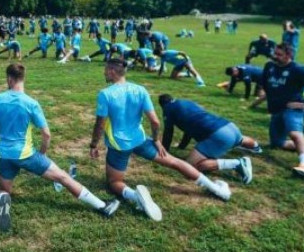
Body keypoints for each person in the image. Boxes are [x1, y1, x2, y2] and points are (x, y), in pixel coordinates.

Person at [89, 59, 232, 222]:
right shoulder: (141, 90)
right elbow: (155, 121)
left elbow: (99, 124)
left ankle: (136, 197)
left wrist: (94, 145)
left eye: (106, 70)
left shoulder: (105, 94)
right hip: (141, 139)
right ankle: (216, 189)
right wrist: (157, 140)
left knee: (114, 182)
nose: (104, 73)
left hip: (119, 145)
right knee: (175, 162)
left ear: (112, 72)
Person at [0, 63, 119, 231]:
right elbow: (46, 134)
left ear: (9, 79)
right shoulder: (31, 103)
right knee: (63, 178)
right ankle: (102, 205)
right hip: (26, 154)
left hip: (5, 155)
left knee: (3, 190)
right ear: (23, 78)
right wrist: (42, 153)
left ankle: (3, 201)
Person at [257, 43, 304, 179]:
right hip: (276, 110)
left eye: (279, 55)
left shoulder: (299, 69)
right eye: (275, 53)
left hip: (292, 109)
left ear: (289, 55)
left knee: (295, 134)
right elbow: (264, 83)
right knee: (277, 143)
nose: (275, 56)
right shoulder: (269, 66)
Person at [159, 94, 258, 184]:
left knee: (191, 166)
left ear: (162, 105)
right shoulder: (186, 102)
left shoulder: (168, 108)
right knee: (240, 139)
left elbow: (168, 132)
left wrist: (164, 152)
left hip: (219, 135)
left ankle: (236, 164)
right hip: (229, 126)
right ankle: (256, 147)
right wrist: (181, 146)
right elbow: (188, 130)